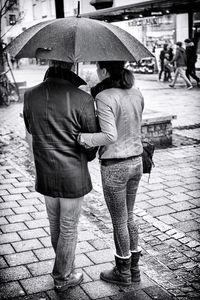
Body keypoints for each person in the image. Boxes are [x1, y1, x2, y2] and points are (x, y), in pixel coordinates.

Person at [23, 60, 98, 292]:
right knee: (68, 226)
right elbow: (91, 140)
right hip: (72, 173)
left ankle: (66, 266)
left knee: (55, 223)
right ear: (71, 67)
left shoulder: (30, 95)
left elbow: (30, 130)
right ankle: (63, 276)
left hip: (45, 170)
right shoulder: (82, 98)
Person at [78, 61, 144, 286]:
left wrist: (83, 138)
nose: (96, 73)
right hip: (137, 162)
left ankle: (122, 272)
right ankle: (134, 270)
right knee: (130, 216)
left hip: (115, 165)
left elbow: (109, 136)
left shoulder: (104, 97)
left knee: (119, 220)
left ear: (104, 71)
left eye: (98, 69)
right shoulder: (136, 93)